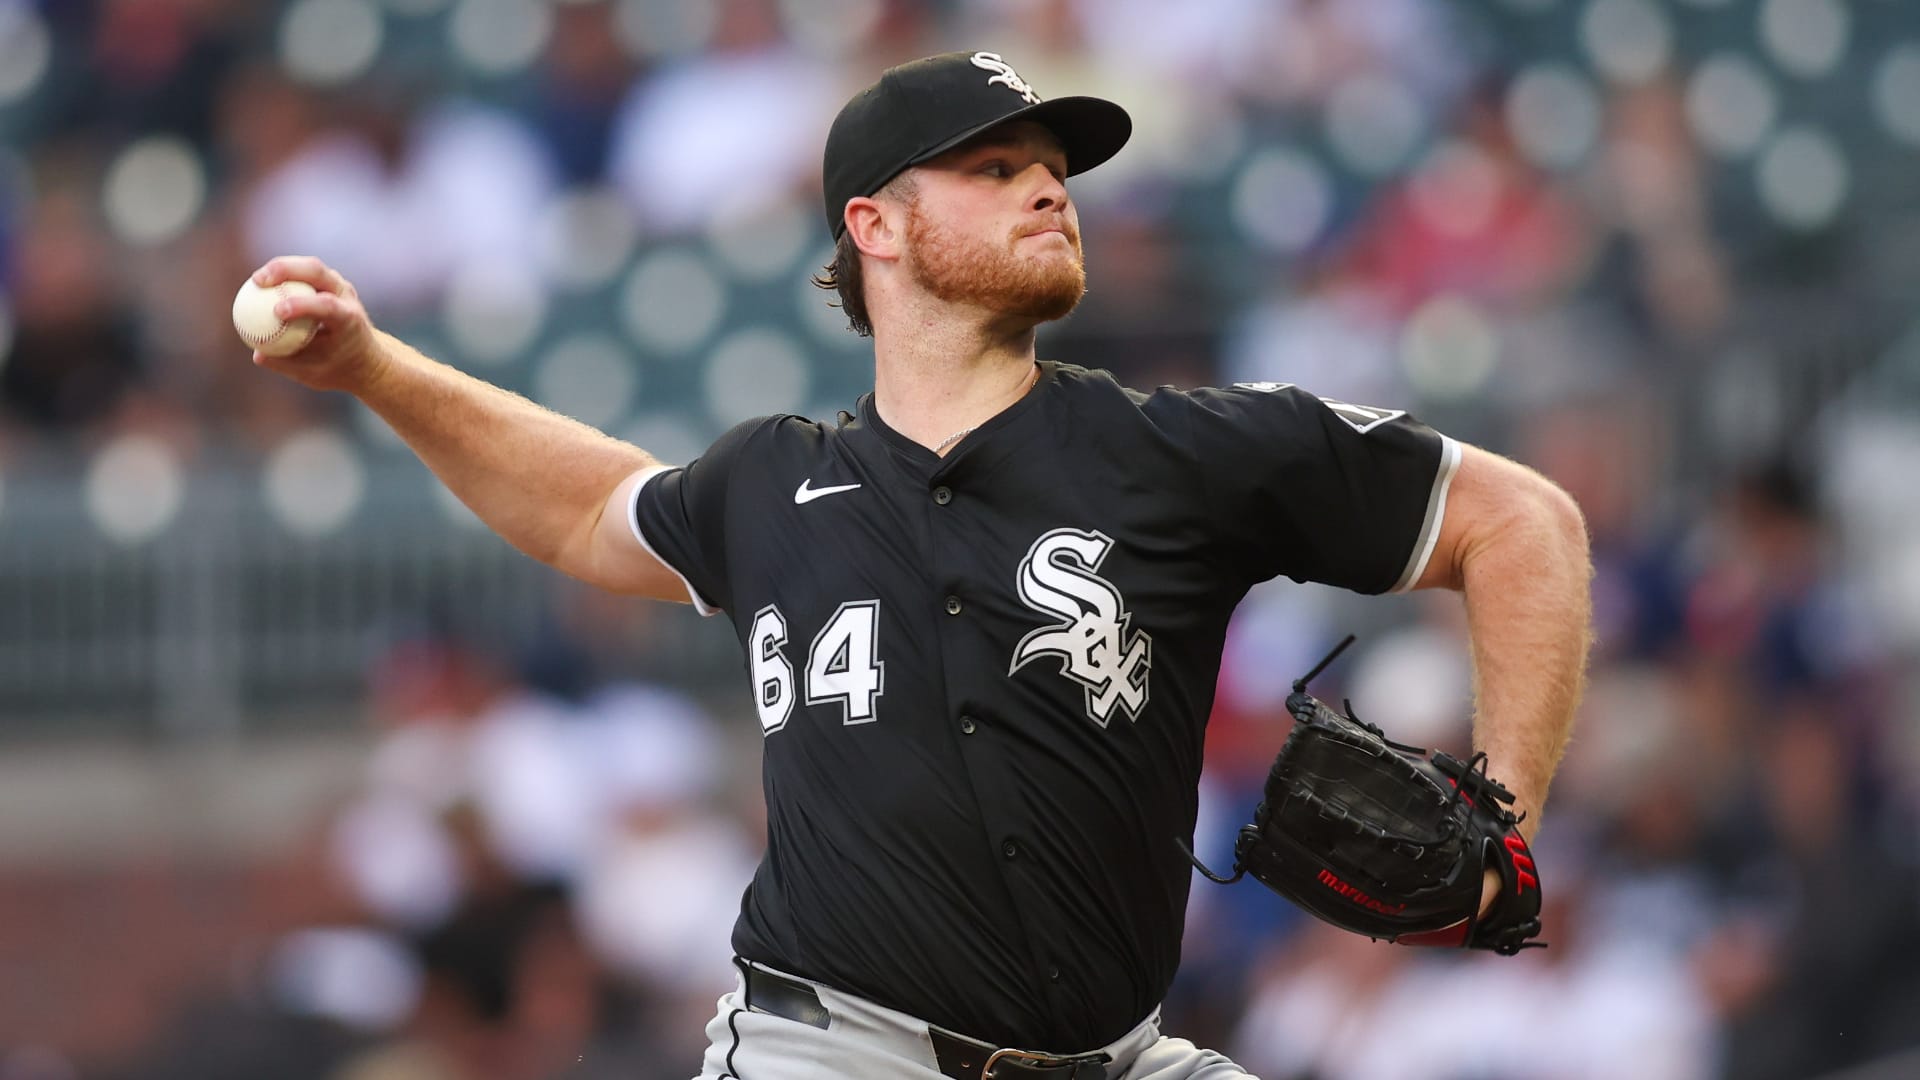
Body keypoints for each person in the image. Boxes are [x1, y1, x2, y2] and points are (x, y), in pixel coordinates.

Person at [247, 49, 1592, 1080]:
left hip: (1116, 1055)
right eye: (993, 167)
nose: (1048, 184)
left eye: (1051, 165)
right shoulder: (773, 482)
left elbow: (1523, 523)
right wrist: (373, 365)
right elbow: (589, 506)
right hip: (834, 1051)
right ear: (876, 227)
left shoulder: (1184, 454)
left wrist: (1506, 828)